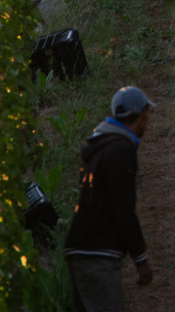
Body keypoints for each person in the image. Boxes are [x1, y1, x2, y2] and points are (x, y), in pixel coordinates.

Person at [64, 86, 156, 312]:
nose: (149, 118)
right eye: (147, 112)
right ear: (139, 114)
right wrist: (140, 259)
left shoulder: (102, 146)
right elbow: (122, 209)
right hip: (98, 255)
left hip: (80, 250)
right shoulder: (120, 150)